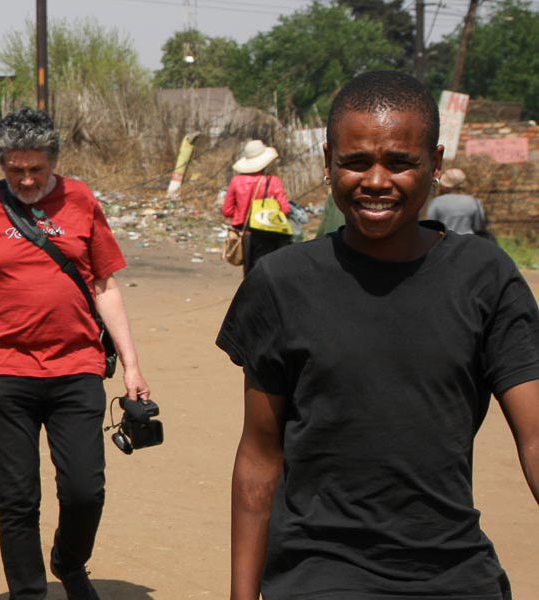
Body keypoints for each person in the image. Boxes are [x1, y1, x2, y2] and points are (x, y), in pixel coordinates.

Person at [219, 70, 539, 600]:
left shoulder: (485, 277)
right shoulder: (283, 283)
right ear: (327, 163)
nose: (376, 180)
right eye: (356, 161)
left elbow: (534, 434)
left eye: (400, 162)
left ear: (434, 165)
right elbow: (259, 455)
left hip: (456, 573)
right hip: (317, 574)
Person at [0, 107, 151, 600]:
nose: (27, 179)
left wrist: (133, 365)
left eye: (37, 169)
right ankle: (29, 592)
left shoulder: (81, 200)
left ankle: (69, 562)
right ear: (1, 162)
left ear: (54, 160)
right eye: (16, 170)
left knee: (84, 490)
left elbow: (103, 284)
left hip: (77, 368)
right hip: (3, 371)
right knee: (17, 497)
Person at [221, 139, 292, 274]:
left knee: (250, 273)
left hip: (247, 233)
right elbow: (285, 209)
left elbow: (227, 210)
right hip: (272, 235)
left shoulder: (236, 181)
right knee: (271, 272)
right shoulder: (273, 181)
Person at [426, 167, 491, 238]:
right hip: (468, 242)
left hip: (445, 242)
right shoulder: (474, 202)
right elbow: (478, 227)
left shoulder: (437, 202)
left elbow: (430, 226)